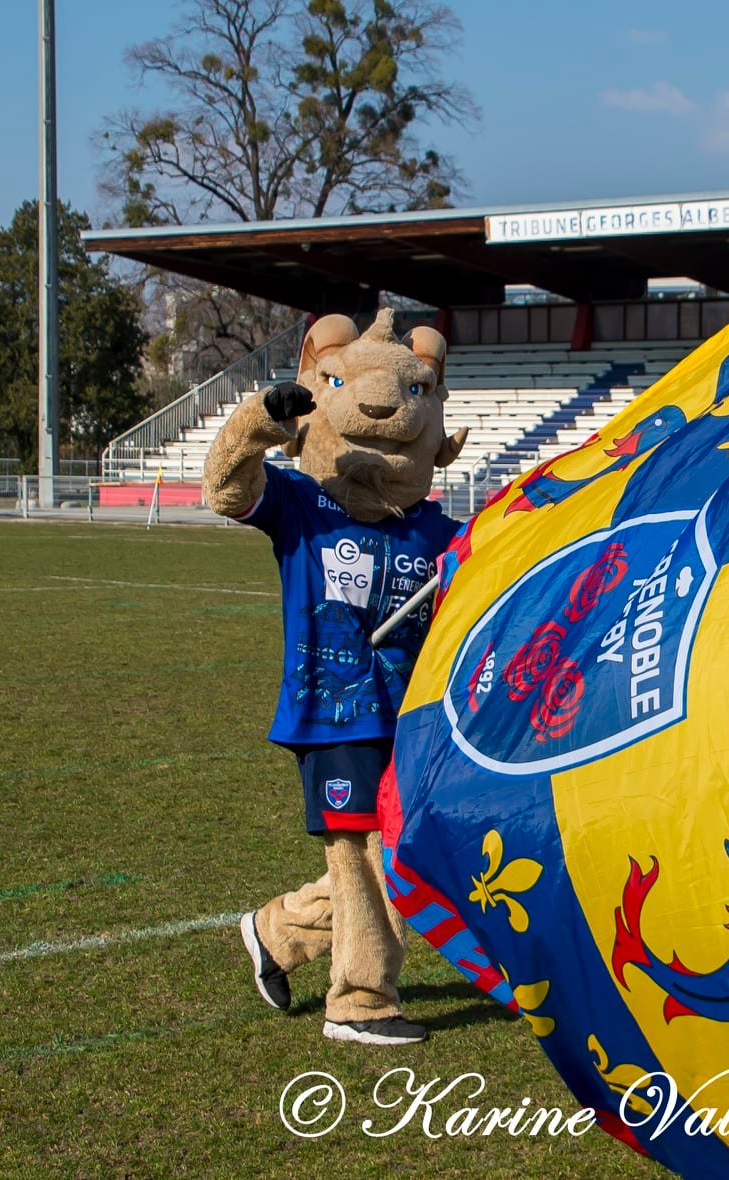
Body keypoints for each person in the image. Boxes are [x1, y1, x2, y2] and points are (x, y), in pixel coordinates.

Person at [202, 309, 470, 1047]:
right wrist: (257, 423)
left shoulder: (435, 529)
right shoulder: (301, 505)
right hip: (331, 713)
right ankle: (359, 1000)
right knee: (364, 855)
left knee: (405, 855)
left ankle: (279, 932)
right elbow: (227, 490)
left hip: (411, 719)